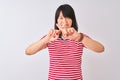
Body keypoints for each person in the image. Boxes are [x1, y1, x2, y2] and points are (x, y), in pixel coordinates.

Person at [25, 4, 104, 80]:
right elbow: (28, 51)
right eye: (61, 18)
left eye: (68, 17)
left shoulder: (79, 37)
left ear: (72, 20)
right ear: (56, 21)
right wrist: (46, 39)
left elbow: (101, 49)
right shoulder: (51, 38)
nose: (65, 21)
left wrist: (80, 38)